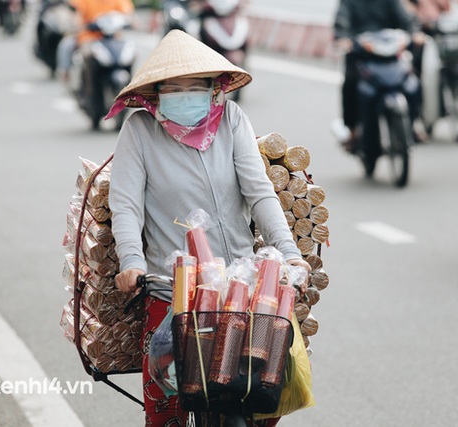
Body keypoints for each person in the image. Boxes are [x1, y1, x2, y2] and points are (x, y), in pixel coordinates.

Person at [107, 29, 311, 426]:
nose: (185, 95)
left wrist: (288, 252)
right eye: (174, 88)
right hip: (174, 289)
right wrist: (131, 261)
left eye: (195, 87)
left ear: (214, 90)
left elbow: (260, 193)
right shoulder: (139, 131)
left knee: (260, 394)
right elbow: (126, 206)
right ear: (157, 94)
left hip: (240, 290)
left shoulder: (231, 119)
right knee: (167, 405)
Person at [333, 0, 422, 150]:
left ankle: (413, 124)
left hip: (389, 52)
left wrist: (414, 34)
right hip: (361, 54)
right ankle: (353, 130)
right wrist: (343, 39)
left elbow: (406, 19)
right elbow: (341, 22)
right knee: (350, 82)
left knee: (412, 82)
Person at [55, 0, 134, 85]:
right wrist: (79, 24)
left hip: (114, 39)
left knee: (130, 54)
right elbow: (76, 15)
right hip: (89, 38)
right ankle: (88, 88)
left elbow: (129, 15)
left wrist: (131, 22)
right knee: (88, 55)